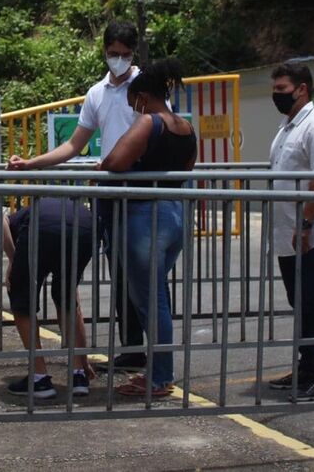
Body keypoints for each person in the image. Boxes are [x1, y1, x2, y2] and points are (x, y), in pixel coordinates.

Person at [7, 21, 147, 370]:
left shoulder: (145, 87)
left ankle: (157, 357)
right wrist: (32, 164)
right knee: (118, 270)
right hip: (109, 190)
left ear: (134, 53)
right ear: (104, 51)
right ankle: (131, 350)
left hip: (142, 189)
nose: (118, 60)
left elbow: (157, 130)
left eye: (125, 54)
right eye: (113, 53)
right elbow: (74, 145)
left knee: (144, 273)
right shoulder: (97, 92)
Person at [100, 58, 196, 398]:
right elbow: (186, 168)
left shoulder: (147, 123)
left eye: (131, 100)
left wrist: (105, 165)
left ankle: (159, 378)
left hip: (143, 219)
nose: (131, 106)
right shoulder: (184, 127)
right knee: (156, 295)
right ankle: (159, 373)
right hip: (175, 216)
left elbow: (114, 162)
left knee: (150, 299)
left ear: (142, 96)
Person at [267, 61, 314, 402]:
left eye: (282, 89)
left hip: (312, 235)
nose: (276, 95)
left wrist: (307, 223)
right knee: (300, 304)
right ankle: (307, 366)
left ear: (302, 89)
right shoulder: (288, 127)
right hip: (290, 235)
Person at [0, 198, 97, 399]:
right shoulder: (50, 206)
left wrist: (12, 258)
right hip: (85, 227)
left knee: (21, 299)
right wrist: (85, 361)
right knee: (68, 297)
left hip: (42, 229)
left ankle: (39, 378)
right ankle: (79, 374)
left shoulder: (17, 217)